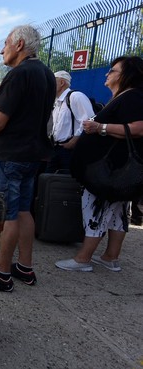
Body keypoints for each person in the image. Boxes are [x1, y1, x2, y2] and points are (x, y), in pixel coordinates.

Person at [0, 25, 56, 292]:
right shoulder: (47, 74)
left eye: (5, 43)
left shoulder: (19, 74)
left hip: (11, 153)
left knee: (7, 214)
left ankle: (1, 274)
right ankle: (25, 267)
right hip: (33, 154)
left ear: (19, 44)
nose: (2, 49)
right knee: (24, 210)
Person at [56, 56, 143, 272]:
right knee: (117, 212)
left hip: (111, 169)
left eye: (113, 70)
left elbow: (138, 128)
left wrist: (99, 128)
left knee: (96, 208)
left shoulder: (132, 97)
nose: (107, 73)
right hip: (117, 170)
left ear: (126, 75)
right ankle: (110, 256)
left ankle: (83, 259)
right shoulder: (127, 97)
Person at [45, 70, 95, 173]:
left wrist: (74, 140)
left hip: (69, 151)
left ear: (62, 83)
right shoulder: (57, 102)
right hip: (55, 149)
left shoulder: (76, 96)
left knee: (66, 182)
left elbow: (91, 119)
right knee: (49, 181)